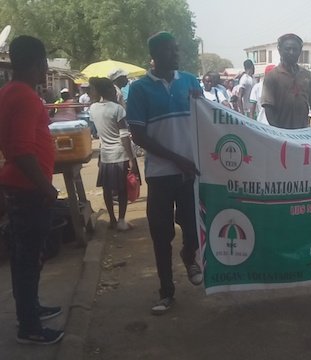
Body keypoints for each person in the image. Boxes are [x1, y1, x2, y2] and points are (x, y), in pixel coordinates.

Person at [126, 31, 204, 315]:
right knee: (161, 234)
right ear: (156, 55)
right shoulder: (139, 90)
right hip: (160, 174)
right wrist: (175, 159)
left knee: (193, 224)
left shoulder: (191, 82)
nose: (177, 54)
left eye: (177, 49)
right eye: (171, 50)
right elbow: (138, 135)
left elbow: (205, 119)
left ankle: (189, 255)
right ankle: (166, 292)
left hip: (190, 171)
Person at [0, 35, 64, 345]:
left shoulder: (9, 92)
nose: (46, 70)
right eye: (44, 64)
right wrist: (46, 188)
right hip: (28, 190)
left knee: (28, 256)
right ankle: (29, 327)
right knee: (27, 259)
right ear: (37, 63)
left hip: (19, 187)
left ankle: (32, 310)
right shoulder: (24, 96)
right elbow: (22, 151)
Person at [89, 77, 138, 231]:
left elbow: (98, 133)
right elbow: (124, 136)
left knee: (107, 189)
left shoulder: (93, 109)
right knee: (122, 189)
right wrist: (132, 159)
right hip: (120, 154)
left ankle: (112, 219)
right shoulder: (117, 109)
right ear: (109, 90)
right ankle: (122, 221)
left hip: (105, 154)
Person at [262, 33, 311, 129]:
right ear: (280, 50)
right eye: (287, 49)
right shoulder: (272, 76)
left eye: (295, 49)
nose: (291, 52)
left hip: (303, 133)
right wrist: (277, 133)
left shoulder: (307, 75)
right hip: (281, 133)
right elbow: (268, 109)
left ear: (300, 51)